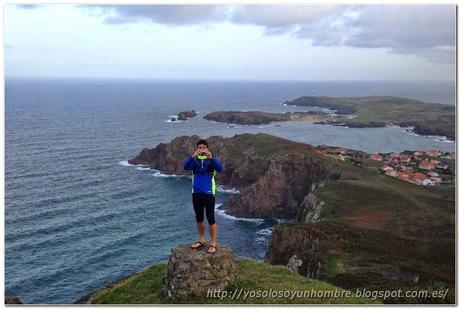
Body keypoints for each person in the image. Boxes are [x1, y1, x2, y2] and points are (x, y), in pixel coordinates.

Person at [183, 139, 224, 254]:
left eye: (204, 148)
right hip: (196, 193)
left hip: (209, 193)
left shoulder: (211, 161)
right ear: (197, 149)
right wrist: (193, 156)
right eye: (199, 148)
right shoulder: (194, 161)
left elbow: (220, 169)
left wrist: (211, 158)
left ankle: (213, 243)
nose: (202, 150)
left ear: (207, 149)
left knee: (211, 218)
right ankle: (201, 239)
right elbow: (186, 167)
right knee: (199, 218)